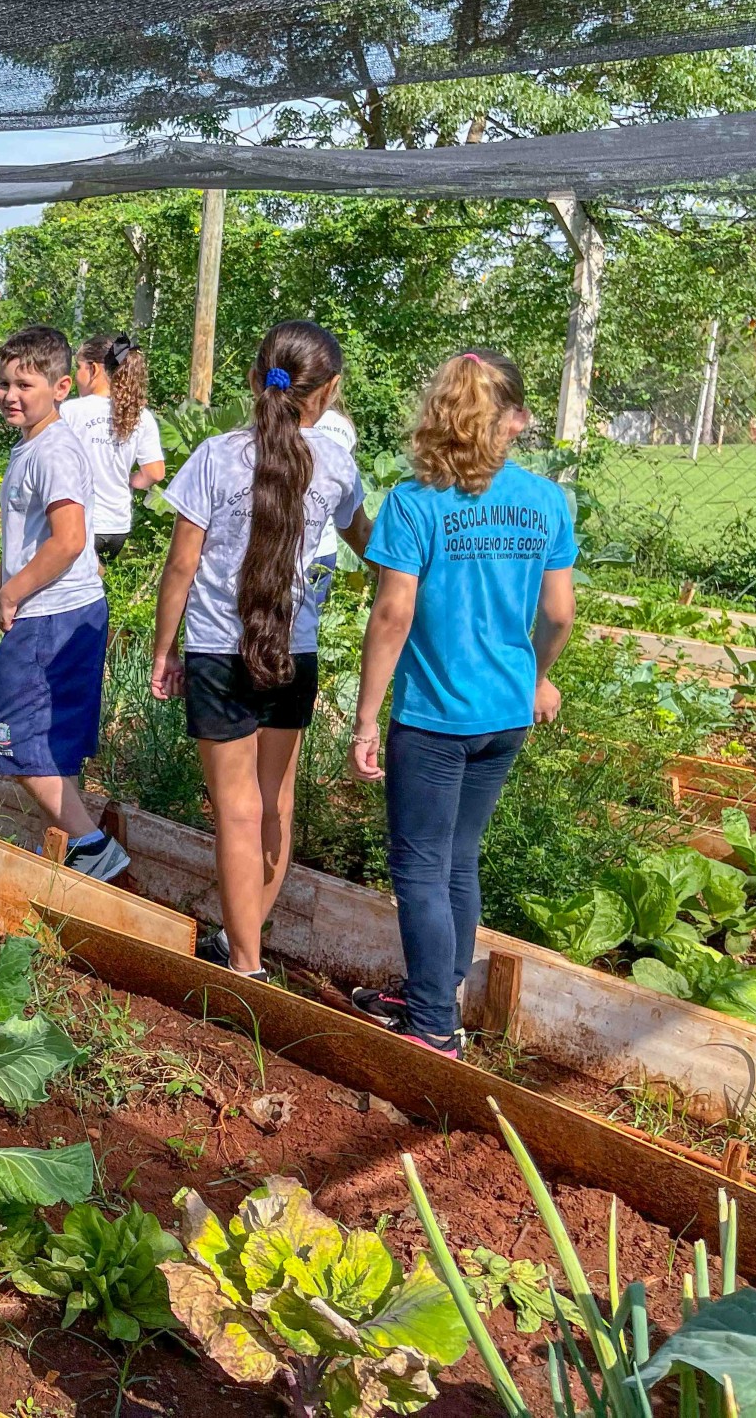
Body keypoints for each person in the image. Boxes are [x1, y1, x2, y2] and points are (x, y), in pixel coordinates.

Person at [347, 352, 576, 1057]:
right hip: (505, 714)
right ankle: (435, 991)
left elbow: (393, 615)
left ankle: (431, 1026)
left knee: (420, 866)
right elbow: (559, 612)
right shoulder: (546, 501)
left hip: (434, 717)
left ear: (439, 412)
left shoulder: (414, 502)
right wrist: (537, 676)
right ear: (517, 419)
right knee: (458, 858)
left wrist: (365, 718)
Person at [150, 321, 372, 979]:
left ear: (254, 380)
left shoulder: (214, 457)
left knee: (237, 811)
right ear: (329, 391)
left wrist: (165, 649)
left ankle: (244, 964)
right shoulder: (336, 466)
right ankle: (239, 944)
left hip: (218, 652)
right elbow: (372, 545)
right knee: (275, 803)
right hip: (292, 654)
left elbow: (181, 566)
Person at [0, 327, 130, 881]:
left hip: (52, 616)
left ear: (62, 387)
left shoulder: (56, 450)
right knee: (51, 743)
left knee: (13, 739)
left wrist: (13, 594)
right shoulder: (31, 445)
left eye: (25, 385)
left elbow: (68, 540)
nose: (10, 395)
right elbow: (23, 544)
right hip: (57, 611)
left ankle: (91, 846)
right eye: (4, 384)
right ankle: (68, 853)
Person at [65, 333, 165, 561]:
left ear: (93, 369)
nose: (76, 376)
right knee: (96, 579)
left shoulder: (71, 412)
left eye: (78, 368)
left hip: (81, 523)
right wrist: (127, 480)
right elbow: (155, 473)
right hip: (117, 527)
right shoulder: (141, 416)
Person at [307, 397, 359, 604]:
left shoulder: (297, 420)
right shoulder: (344, 426)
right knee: (311, 619)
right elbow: (348, 496)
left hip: (291, 549)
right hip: (326, 545)